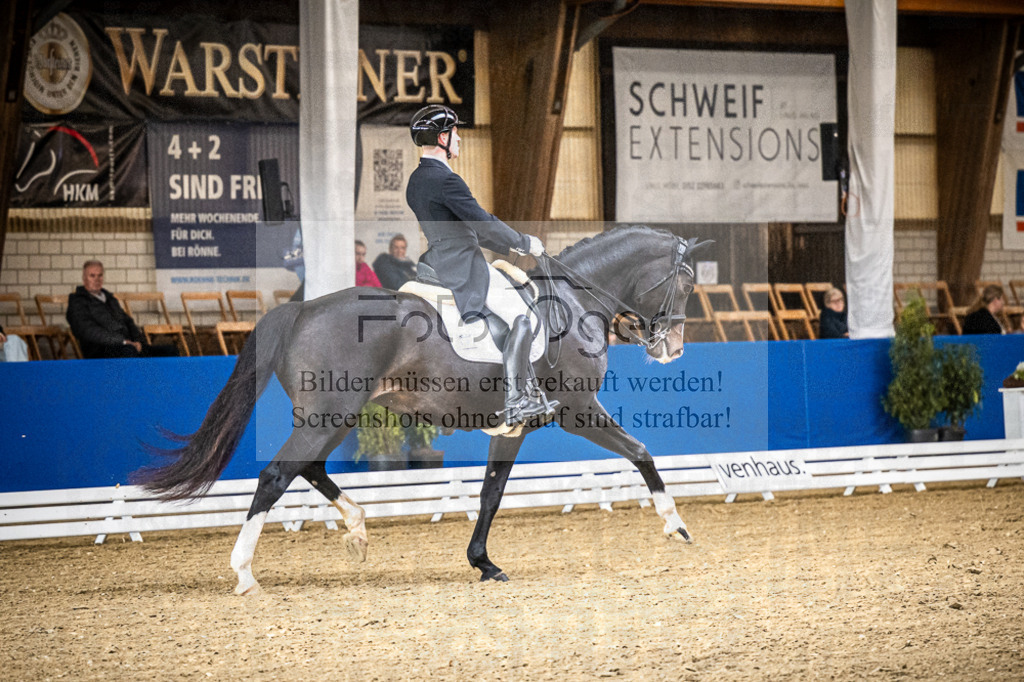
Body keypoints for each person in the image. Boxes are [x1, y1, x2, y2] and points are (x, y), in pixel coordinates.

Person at [405, 104, 555, 427]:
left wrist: (509, 241)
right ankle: (517, 399)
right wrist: (524, 242)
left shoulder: (416, 180)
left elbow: (468, 229)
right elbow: (482, 224)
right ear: (443, 138)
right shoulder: (447, 181)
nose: (459, 139)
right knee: (523, 317)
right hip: (463, 266)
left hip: (436, 260)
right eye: (455, 133)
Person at [66, 260, 179, 359]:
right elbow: (89, 331)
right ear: (84, 278)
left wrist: (138, 342)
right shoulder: (77, 302)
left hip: (127, 345)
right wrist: (123, 342)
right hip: (100, 351)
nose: (97, 279)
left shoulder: (110, 299)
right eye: (92, 276)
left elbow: (128, 322)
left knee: (170, 351)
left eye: (100, 275)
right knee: (128, 352)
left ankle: (166, 384)